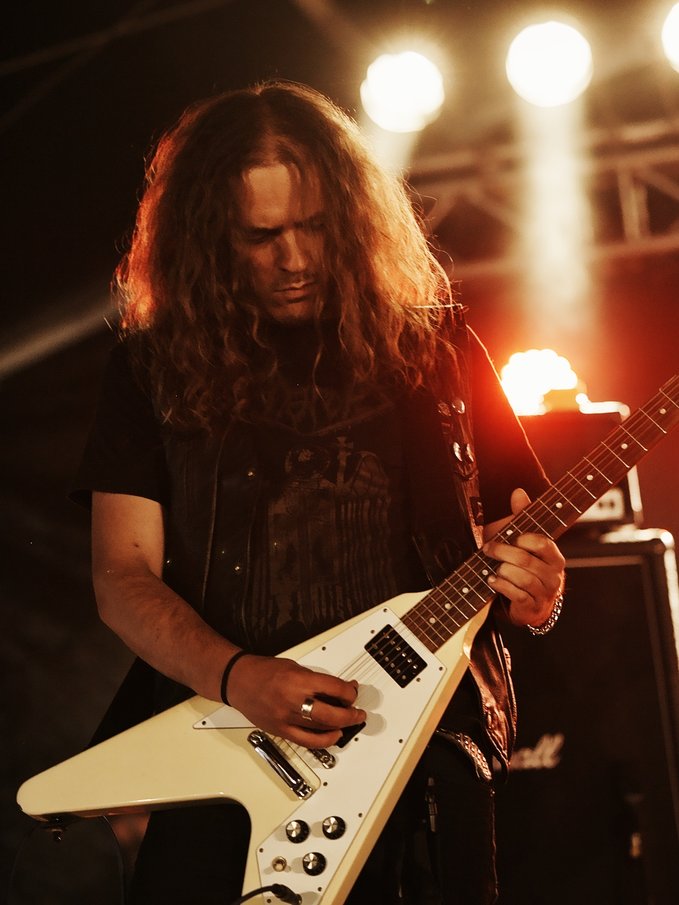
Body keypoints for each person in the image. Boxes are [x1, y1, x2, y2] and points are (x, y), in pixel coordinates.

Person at [73, 80, 565, 905]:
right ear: (209, 237)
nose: (296, 259)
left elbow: (526, 547)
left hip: (428, 764)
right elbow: (121, 577)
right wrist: (240, 676)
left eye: (314, 226)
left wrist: (541, 594)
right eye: (262, 236)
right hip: (230, 762)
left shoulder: (436, 346)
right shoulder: (151, 370)